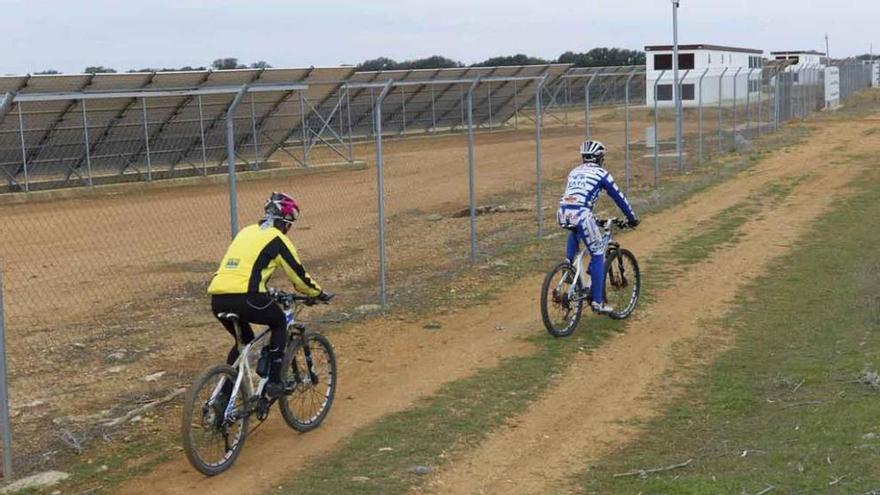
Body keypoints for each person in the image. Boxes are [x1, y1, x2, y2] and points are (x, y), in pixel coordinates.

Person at [207, 192, 332, 398]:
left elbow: (244, 267)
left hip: (219, 298)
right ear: (286, 222)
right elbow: (299, 277)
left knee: (244, 341)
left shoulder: (246, 231)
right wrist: (317, 293)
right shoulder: (278, 239)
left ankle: (221, 399)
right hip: (247, 297)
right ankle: (275, 382)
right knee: (279, 321)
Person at [556, 140, 640, 315]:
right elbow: (619, 198)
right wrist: (632, 218)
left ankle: (568, 267)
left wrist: (593, 218)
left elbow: (577, 197)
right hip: (582, 213)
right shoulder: (602, 174)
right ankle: (597, 302)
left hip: (563, 212)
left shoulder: (574, 172)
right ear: (600, 158)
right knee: (598, 253)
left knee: (576, 230)